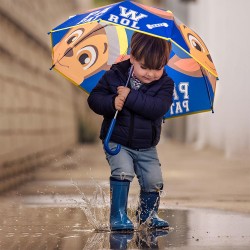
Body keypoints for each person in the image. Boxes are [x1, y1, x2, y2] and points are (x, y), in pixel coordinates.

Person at [87, 32, 174, 231]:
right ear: (132, 57)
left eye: (157, 68)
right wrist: (111, 102)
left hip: (146, 145)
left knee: (154, 180)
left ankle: (148, 215)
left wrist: (130, 96)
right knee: (123, 171)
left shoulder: (166, 84)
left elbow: (157, 108)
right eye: (144, 67)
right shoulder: (114, 75)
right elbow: (94, 99)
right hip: (117, 140)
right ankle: (118, 216)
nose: (150, 74)